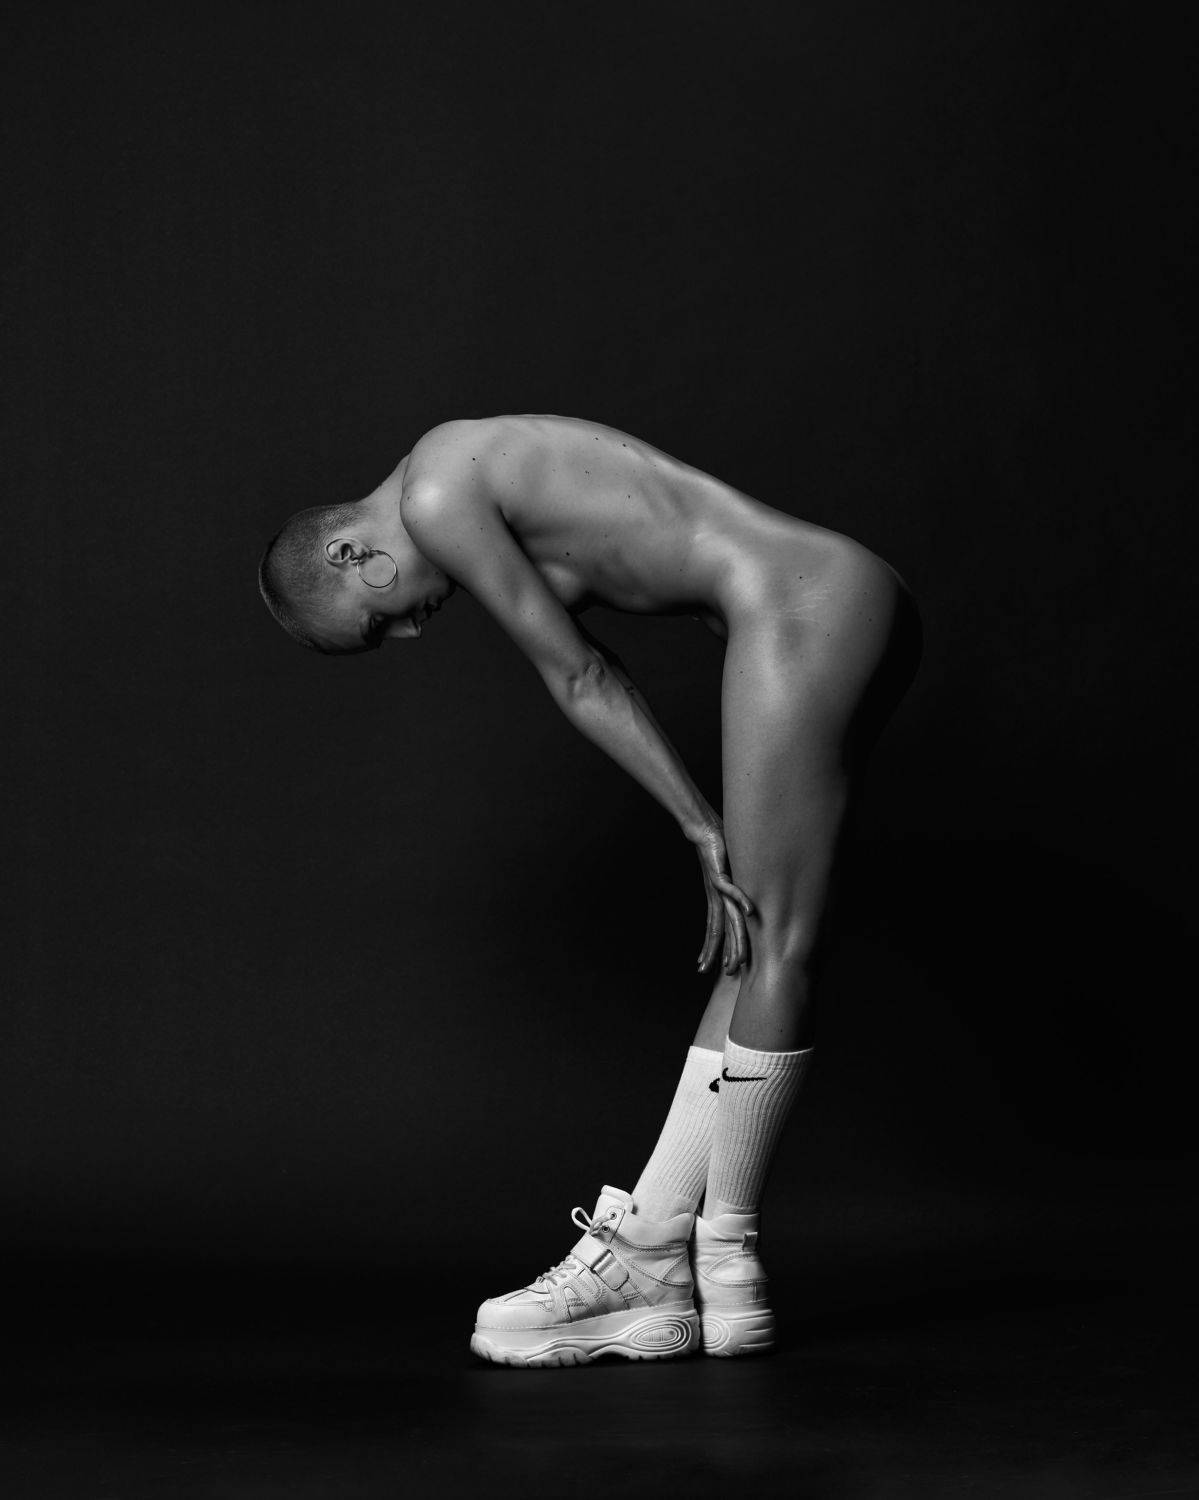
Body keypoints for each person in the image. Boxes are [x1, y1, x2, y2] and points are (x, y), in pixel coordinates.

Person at [258, 414, 921, 1366]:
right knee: (752, 943)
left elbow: (580, 675)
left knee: (772, 935)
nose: (407, 630)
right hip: (824, 598)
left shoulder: (438, 494)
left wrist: (697, 825)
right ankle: (651, 1252)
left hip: (800, 601)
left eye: (378, 619)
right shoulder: (451, 469)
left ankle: (723, 1259)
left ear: (350, 553)